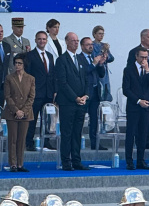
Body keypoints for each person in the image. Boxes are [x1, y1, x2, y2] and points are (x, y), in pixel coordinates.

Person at [55, 32, 89, 171]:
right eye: (73, 40)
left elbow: (86, 79)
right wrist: (75, 97)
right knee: (67, 133)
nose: (76, 43)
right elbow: (62, 83)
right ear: (67, 42)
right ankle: (66, 162)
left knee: (77, 133)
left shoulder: (80, 59)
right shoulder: (62, 60)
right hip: (68, 103)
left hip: (81, 103)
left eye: (77, 40)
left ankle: (76, 160)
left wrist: (85, 95)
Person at [122, 48, 149, 170]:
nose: (144, 60)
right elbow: (126, 89)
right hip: (134, 106)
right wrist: (138, 101)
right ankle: (129, 161)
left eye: (146, 57)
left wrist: (147, 71)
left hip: (146, 106)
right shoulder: (129, 70)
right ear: (136, 57)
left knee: (143, 134)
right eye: (142, 57)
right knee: (131, 134)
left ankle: (141, 160)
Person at [25, 31, 56, 152]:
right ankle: (29, 142)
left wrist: (54, 90)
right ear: (35, 40)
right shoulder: (30, 55)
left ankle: (46, 142)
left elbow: (52, 74)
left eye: (44, 39)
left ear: (46, 40)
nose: (42, 41)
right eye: (39, 39)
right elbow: (28, 75)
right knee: (32, 119)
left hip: (48, 93)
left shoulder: (49, 55)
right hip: (36, 92)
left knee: (47, 120)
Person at [3, 53, 34, 172]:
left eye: (19, 63)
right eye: (16, 63)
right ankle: (13, 164)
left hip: (25, 113)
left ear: (24, 64)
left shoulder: (30, 78)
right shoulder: (9, 78)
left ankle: (20, 163)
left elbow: (31, 97)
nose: (17, 65)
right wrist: (16, 110)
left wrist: (23, 111)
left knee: (22, 139)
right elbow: (8, 96)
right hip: (12, 112)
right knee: (13, 139)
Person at [78, 37, 107, 151]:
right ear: (82, 46)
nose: (90, 46)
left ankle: (95, 142)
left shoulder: (94, 58)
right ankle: (78, 142)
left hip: (95, 92)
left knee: (94, 119)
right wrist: (93, 64)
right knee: (80, 118)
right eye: (87, 45)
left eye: (91, 44)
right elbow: (82, 73)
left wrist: (100, 64)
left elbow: (101, 74)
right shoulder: (79, 58)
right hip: (84, 93)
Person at [91, 25, 114, 105]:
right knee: (100, 89)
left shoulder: (104, 45)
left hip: (105, 72)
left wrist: (106, 55)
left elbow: (111, 58)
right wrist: (102, 51)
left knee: (106, 89)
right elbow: (94, 57)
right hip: (97, 71)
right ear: (94, 34)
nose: (101, 36)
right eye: (99, 33)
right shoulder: (92, 45)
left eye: (103, 34)